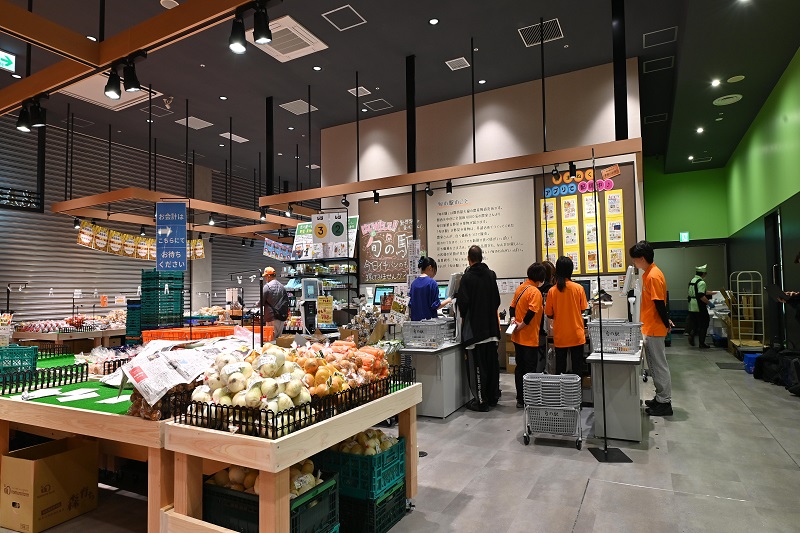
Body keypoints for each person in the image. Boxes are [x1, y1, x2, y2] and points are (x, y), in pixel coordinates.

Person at [629, 240, 674, 416]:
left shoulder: (653, 276)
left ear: (642, 258)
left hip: (654, 328)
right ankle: (660, 397)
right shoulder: (649, 273)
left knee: (659, 366)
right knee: (655, 366)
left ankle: (665, 402)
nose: (634, 263)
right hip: (650, 326)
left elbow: (659, 303)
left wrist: (665, 322)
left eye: (635, 259)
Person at [456, 245, 501, 412]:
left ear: (469, 259)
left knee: (478, 367)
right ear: (481, 257)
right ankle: (493, 397)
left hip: (475, 332)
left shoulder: (467, 278)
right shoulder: (491, 275)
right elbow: (497, 301)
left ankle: (481, 402)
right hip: (492, 329)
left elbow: (463, 304)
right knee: (492, 366)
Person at [510, 263, 546, 408]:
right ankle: (529, 399)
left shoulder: (521, 288)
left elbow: (512, 307)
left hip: (517, 337)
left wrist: (513, 320)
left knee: (519, 368)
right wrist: (522, 325)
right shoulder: (535, 292)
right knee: (530, 370)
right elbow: (531, 313)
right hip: (529, 338)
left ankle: (520, 398)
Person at [545, 257, 588, 376]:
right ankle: (577, 388)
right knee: (577, 369)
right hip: (576, 334)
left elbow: (549, 313)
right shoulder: (578, 288)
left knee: (560, 370)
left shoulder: (552, 291)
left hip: (560, 336)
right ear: (571, 270)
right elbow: (583, 309)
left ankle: (562, 388)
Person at [408, 256, 452, 321]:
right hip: (429, 323)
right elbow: (436, 306)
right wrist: (448, 300)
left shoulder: (414, 283)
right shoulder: (432, 283)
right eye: (435, 271)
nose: (434, 275)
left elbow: (410, 304)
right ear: (430, 268)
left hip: (415, 323)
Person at [686, 264, 714, 349]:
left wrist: (713, 292)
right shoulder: (701, 282)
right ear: (703, 273)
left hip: (691, 306)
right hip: (699, 306)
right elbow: (701, 295)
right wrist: (709, 303)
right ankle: (702, 343)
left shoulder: (692, 280)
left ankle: (692, 334)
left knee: (695, 323)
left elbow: (696, 291)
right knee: (704, 324)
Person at [537, 260, 556, 373]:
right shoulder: (552, 290)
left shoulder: (534, 288)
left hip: (535, 328)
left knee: (538, 361)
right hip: (548, 329)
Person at [261, 266, 289, 338]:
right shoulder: (282, 287)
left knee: (271, 339)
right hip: (281, 317)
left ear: (269, 276)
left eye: (265, 276)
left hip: (271, 317)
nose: (265, 278)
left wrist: (255, 305)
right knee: (279, 339)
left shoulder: (267, 287)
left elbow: (261, 302)